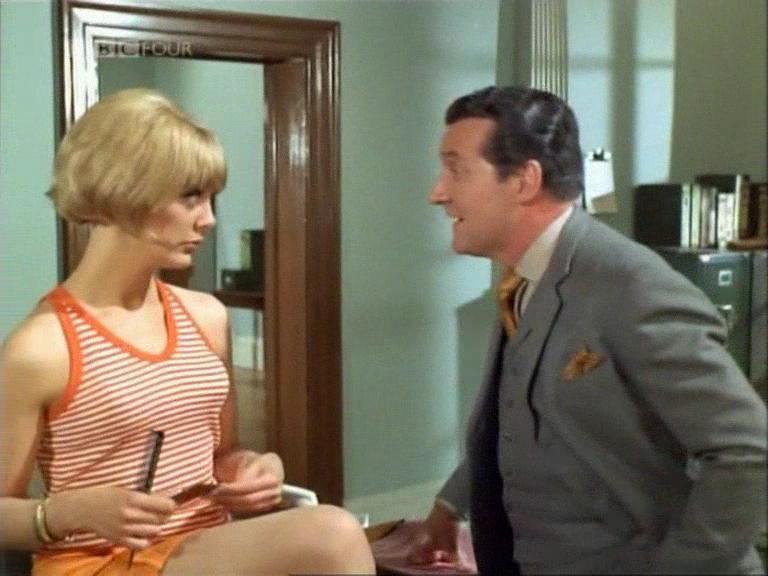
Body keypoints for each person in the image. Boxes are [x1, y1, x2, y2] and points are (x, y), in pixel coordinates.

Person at [0, 88, 375, 576]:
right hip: (99, 562)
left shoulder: (206, 317)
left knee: (328, 536)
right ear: (123, 192)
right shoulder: (41, 347)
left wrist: (256, 469)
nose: (210, 219)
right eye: (191, 197)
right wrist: (69, 512)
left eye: (211, 198)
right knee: (333, 533)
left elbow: (221, 454)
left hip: (201, 544)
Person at [409, 85, 767, 574]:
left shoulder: (631, 285)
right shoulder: (525, 280)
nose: (438, 192)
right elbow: (517, 417)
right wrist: (451, 504)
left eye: (456, 170)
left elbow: (747, 449)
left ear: (524, 181)